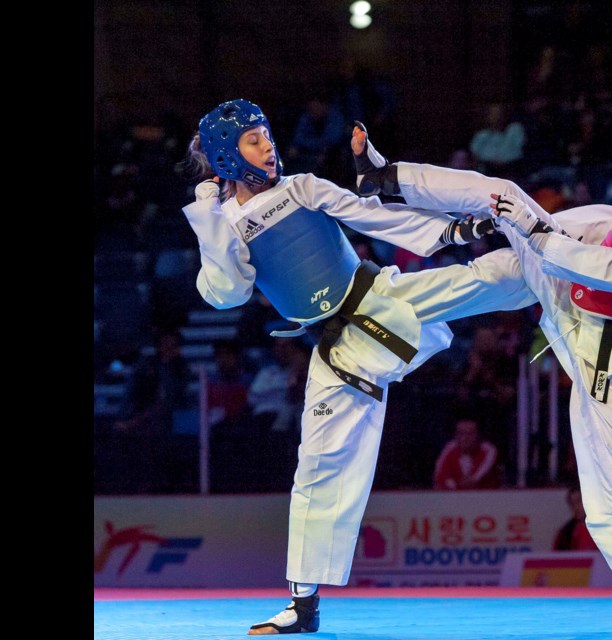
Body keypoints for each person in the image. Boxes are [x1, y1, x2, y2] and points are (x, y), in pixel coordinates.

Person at [353, 99, 612, 633]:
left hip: (607, 356)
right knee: (500, 246)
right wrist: (538, 230)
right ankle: (383, 199)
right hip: (568, 291)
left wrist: (539, 236)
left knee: (608, 465)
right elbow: (599, 226)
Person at [178, 99, 538, 635]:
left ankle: (577, 257)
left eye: (267, 136)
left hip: (379, 299)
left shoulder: (301, 187)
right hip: (336, 348)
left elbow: (373, 213)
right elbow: (225, 293)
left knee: (489, 278)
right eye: (254, 141)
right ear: (229, 156)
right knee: (318, 467)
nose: (268, 147)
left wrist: (453, 233)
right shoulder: (223, 222)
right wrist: (209, 217)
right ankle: (302, 605)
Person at [432, 417, 501, 490]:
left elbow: (474, 480)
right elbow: (439, 476)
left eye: (470, 434)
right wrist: (453, 485)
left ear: (478, 436)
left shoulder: (488, 450)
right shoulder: (449, 449)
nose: (465, 438)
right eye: (461, 433)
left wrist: (472, 480)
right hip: (455, 497)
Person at [552, 484, 599, 551]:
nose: (576, 507)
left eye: (579, 501)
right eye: (572, 504)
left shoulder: (604, 528)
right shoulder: (565, 533)